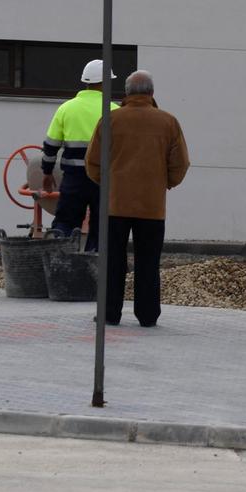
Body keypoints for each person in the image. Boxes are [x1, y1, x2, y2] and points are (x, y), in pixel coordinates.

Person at [86, 71, 189, 326]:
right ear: (151, 93)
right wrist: (164, 184)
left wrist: (109, 184)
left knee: (112, 261)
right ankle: (147, 315)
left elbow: (92, 162)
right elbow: (180, 163)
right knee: (148, 262)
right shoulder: (168, 122)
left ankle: (110, 313)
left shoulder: (110, 120)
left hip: (115, 204)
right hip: (152, 206)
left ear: (127, 92)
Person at [40, 59, 119, 250]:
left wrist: (47, 172)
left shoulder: (67, 108)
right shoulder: (115, 111)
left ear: (86, 82)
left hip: (74, 179)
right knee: (102, 228)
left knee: (65, 223)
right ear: (105, 83)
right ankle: (95, 270)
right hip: (103, 179)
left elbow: (51, 146)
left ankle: (60, 265)